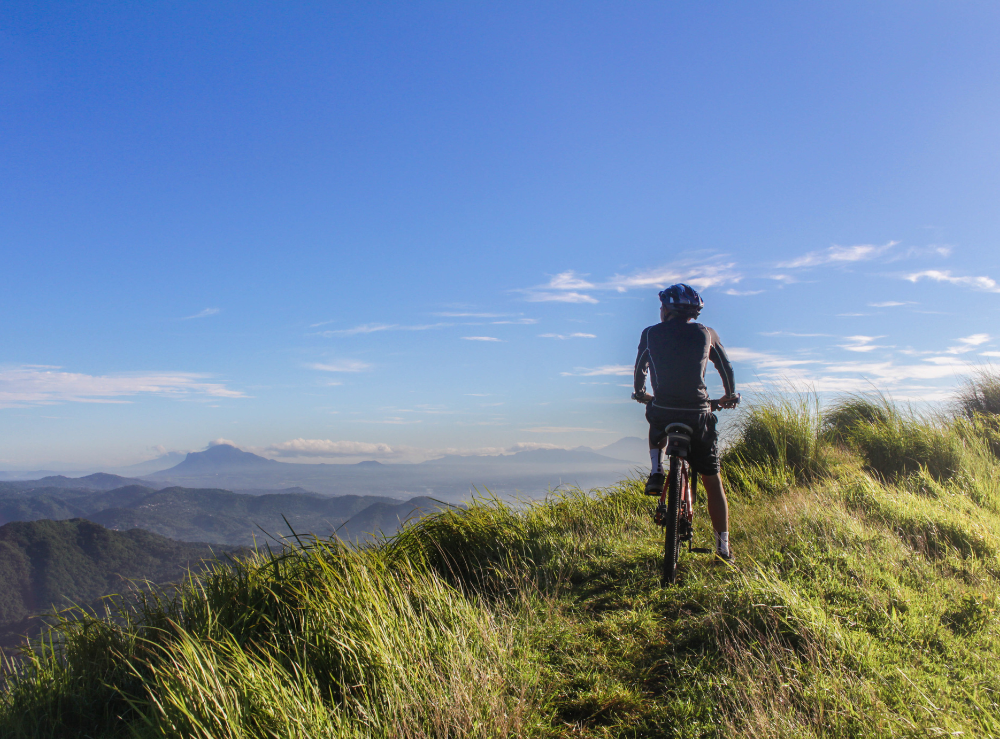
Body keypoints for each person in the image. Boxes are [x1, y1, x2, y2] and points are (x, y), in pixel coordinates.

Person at [632, 283, 738, 563]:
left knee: (654, 418)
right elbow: (725, 367)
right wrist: (729, 395)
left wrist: (641, 393)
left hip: (664, 411)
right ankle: (723, 549)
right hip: (699, 414)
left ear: (666, 309)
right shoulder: (707, 333)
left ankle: (656, 470)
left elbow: (640, 366)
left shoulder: (651, 333)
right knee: (712, 482)